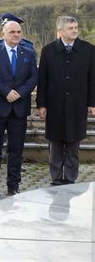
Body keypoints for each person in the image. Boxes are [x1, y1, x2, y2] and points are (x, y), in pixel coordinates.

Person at [37, 16, 95, 186]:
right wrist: (41, 104)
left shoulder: (88, 50)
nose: (75, 31)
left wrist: (92, 103)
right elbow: (43, 80)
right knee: (55, 143)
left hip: (78, 105)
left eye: (76, 27)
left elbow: (93, 79)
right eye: (70, 28)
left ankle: (70, 178)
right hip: (55, 105)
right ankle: (56, 178)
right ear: (60, 31)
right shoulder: (48, 51)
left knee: (73, 143)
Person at [0, 21, 38, 199]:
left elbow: (33, 77)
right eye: (12, 32)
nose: (16, 35)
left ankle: (13, 185)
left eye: (19, 32)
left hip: (18, 109)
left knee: (16, 149)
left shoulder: (28, 52)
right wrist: (6, 92)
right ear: (3, 33)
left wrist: (19, 93)